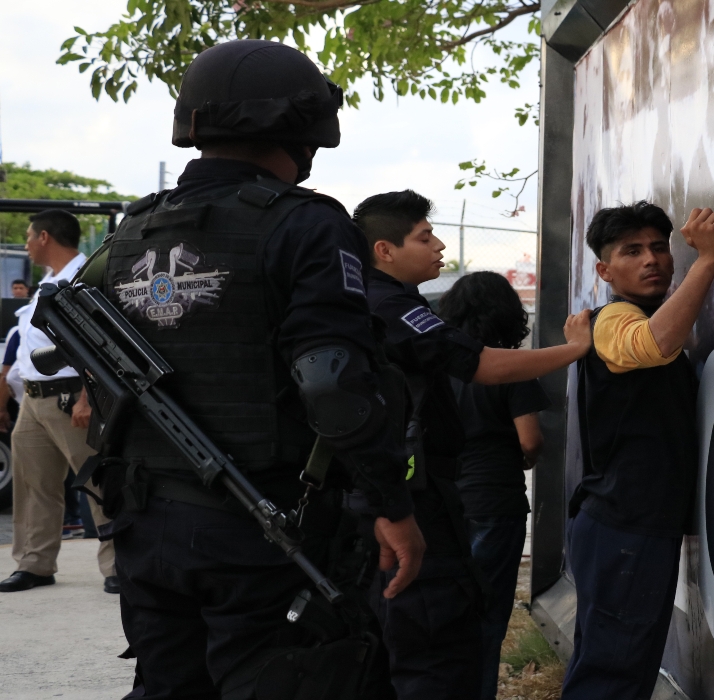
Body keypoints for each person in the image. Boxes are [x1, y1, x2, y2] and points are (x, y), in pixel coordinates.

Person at [82, 40, 425, 698]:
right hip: (262, 530)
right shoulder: (307, 226)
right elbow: (331, 383)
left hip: (146, 523)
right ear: (302, 130)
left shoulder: (134, 230)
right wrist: (392, 505)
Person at [353, 190, 592, 698]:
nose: (439, 245)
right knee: (436, 637)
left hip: (436, 494)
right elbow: (484, 366)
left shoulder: (387, 302)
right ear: (384, 250)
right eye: (424, 236)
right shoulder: (385, 306)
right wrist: (573, 350)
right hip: (420, 498)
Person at [561, 202, 714, 700]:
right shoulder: (614, 318)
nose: (651, 259)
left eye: (658, 247)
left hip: (624, 526)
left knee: (609, 667)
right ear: (605, 271)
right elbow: (653, 344)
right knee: (613, 676)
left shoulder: (637, 314)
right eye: (632, 251)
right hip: (623, 528)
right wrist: (709, 260)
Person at [439, 271, 549, 700]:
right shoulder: (511, 367)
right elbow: (530, 440)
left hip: (442, 499)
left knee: (445, 614)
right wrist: (525, 459)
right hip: (494, 499)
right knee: (485, 620)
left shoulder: (437, 364)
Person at [0, 209, 116, 594]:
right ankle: (35, 563)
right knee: (35, 485)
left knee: (97, 482)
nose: (28, 244)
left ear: (45, 237)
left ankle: (118, 564)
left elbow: (99, 344)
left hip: (71, 397)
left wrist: (88, 398)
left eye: (30, 236)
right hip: (34, 399)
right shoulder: (49, 279)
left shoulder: (85, 277)